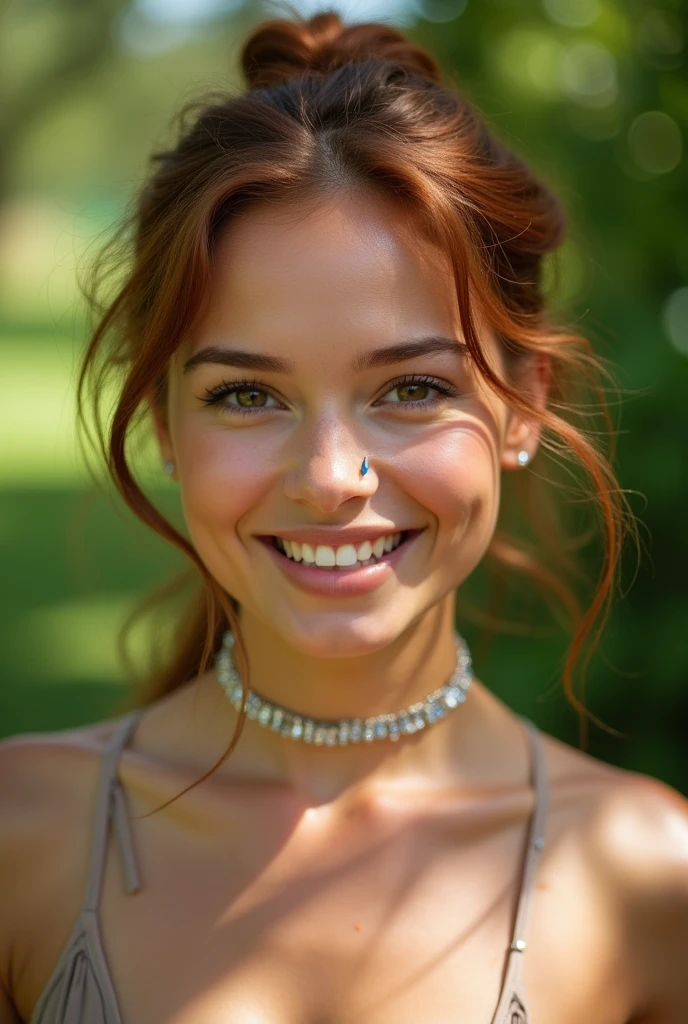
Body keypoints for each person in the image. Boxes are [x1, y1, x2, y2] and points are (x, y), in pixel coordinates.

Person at [1, 8, 686, 1024]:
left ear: (523, 405)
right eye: (247, 394)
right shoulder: (25, 836)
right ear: (161, 421)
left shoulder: (647, 875)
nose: (331, 477)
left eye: (410, 388)